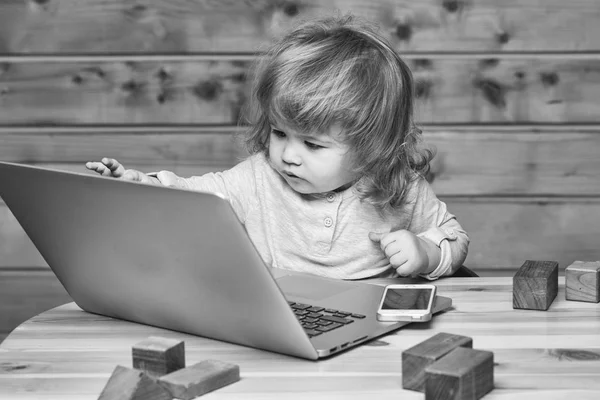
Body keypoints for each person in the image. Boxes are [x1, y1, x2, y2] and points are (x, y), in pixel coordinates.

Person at [86, 15, 468, 280]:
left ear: (372, 145)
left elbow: (453, 236)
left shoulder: (399, 189)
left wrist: (426, 254)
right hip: (282, 321)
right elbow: (194, 196)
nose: (287, 155)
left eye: (313, 145)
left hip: (381, 331)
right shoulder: (259, 177)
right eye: (279, 133)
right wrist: (143, 186)